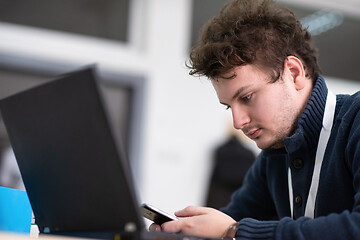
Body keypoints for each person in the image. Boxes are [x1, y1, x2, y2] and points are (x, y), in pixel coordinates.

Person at [149, 0, 360, 239]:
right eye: (229, 107)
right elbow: (228, 220)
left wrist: (235, 232)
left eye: (247, 97)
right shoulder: (274, 156)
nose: (238, 122)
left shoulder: (355, 119)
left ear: (293, 73)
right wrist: (185, 233)